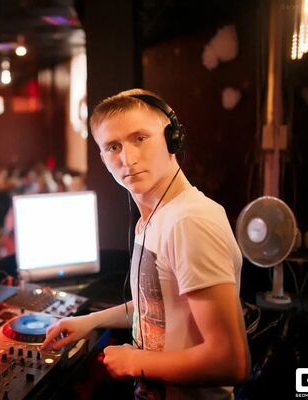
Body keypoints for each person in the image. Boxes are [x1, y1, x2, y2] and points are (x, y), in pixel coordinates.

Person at [42, 89, 250, 399]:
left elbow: (231, 361)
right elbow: (157, 306)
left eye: (140, 138)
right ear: (102, 158)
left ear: (172, 139)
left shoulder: (190, 221)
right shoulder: (151, 219)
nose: (127, 159)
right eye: (113, 147)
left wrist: (135, 362)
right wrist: (90, 321)